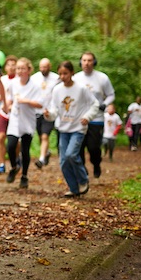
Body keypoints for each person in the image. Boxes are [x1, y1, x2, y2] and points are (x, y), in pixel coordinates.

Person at [45, 61, 99, 197]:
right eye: (60, 74)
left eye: (65, 73)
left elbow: (94, 104)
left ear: (72, 73)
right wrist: (48, 114)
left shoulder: (81, 89)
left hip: (78, 128)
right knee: (63, 161)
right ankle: (74, 188)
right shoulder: (57, 90)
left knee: (71, 155)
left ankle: (83, 180)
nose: (63, 76)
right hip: (63, 129)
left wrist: (88, 117)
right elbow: (54, 110)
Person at [72, 52, 115, 178]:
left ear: (94, 62)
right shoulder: (76, 78)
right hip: (80, 118)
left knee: (93, 147)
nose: (86, 63)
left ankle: (96, 163)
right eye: (84, 60)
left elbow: (111, 94)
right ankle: (82, 170)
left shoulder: (102, 78)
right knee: (79, 147)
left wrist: (104, 104)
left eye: (89, 60)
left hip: (96, 118)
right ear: (80, 62)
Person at [4, 58, 44, 189]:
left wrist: (26, 101)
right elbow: (9, 99)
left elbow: (40, 104)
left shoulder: (35, 86)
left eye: (22, 68)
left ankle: (24, 176)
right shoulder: (13, 83)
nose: (20, 71)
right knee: (10, 145)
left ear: (29, 70)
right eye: (18, 68)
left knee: (25, 149)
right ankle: (14, 167)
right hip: (15, 118)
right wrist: (8, 106)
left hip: (28, 119)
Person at [31, 58, 59, 169]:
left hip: (49, 111)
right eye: (41, 67)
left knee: (45, 135)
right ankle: (46, 153)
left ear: (49, 66)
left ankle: (41, 159)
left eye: (45, 67)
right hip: (37, 111)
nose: (43, 69)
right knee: (40, 135)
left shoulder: (56, 78)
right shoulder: (34, 78)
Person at [0, 55, 18, 174]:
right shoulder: (2, 79)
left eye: (13, 65)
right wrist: (1, 98)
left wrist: (12, 104)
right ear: (5, 67)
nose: (11, 67)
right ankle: (1, 164)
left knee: (15, 141)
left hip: (16, 113)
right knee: (1, 137)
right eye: (9, 65)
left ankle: (16, 160)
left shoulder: (19, 80)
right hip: (3, 113)